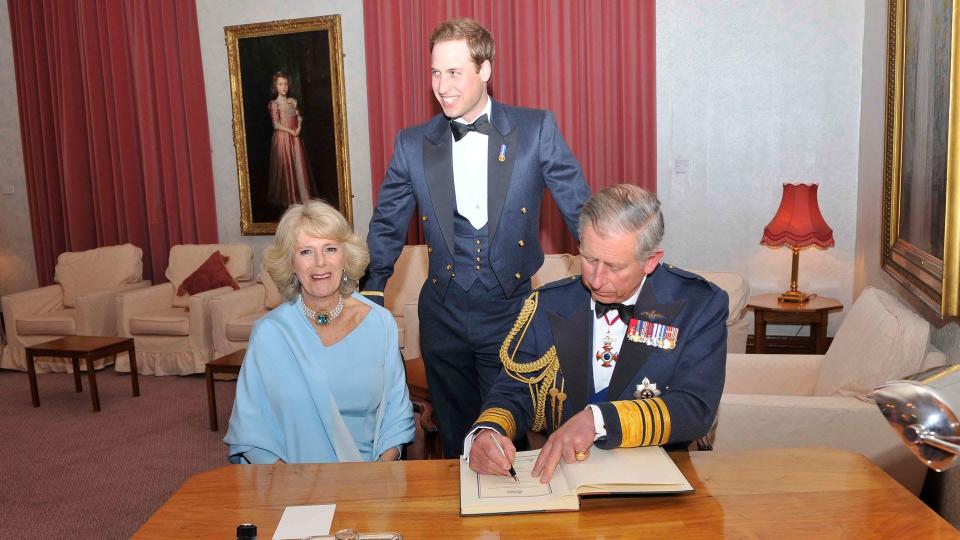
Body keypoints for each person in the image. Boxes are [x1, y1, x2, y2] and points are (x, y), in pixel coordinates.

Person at [363, 18, 591, 458]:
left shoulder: (535, 129)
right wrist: (371, 292)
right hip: (443, 316)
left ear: (485, 69)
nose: (441, 86)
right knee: (453, 436)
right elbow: (388, 222)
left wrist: (611, 268)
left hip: (511, 313)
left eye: (454, 73)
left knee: (508, 436)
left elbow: (581, 210)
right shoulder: (413, 144)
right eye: (435, 73)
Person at [467, 184, 728, 482]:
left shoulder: (699, 306)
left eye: (615, 267)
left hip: (660, 478)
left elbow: (695, 408)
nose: (597, 279)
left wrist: (598, 420)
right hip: (563, 476)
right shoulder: (549, 303)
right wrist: (489, 431)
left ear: (651, 261)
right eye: (590, 259)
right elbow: (514, 390)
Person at [225, 200, 414, 464]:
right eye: (305, 252)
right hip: (293, 483)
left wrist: (379, 474)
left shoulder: (379, 323)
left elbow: (397, 415)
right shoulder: (270, 333)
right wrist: (293, 487)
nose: (320, 263)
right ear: (290, 263)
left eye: (330, 248)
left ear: (346, 256)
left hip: (370, 481)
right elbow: (251, 429)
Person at [267, 71, 313, 207]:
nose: (283, 87)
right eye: (280, 84)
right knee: (287, 166)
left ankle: (302, 195)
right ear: (275, 87)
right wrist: (290, 132)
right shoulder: (274, 104)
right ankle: (290, 197)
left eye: (285, 84)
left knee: (298, 164)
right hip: (283, 139)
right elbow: (276, 124)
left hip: (295, 138)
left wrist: (298, 128)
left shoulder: (293, 102)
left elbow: (299, 116)